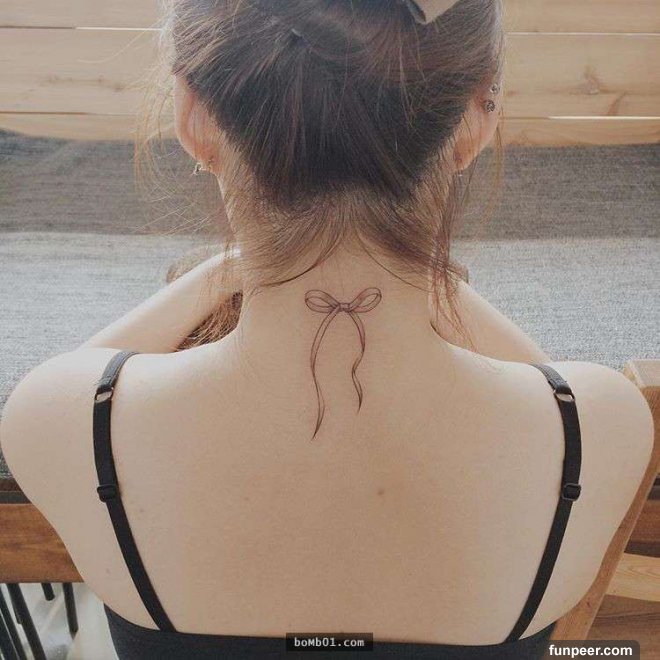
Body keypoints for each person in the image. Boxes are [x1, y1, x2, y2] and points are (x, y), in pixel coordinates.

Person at [1, 0, 653, 658]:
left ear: (192, 118)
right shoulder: (604, 427)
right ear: (475, 123)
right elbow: (550, 388)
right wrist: (430, 278)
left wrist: (221, 274)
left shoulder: (56, 419)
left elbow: (76, 378)